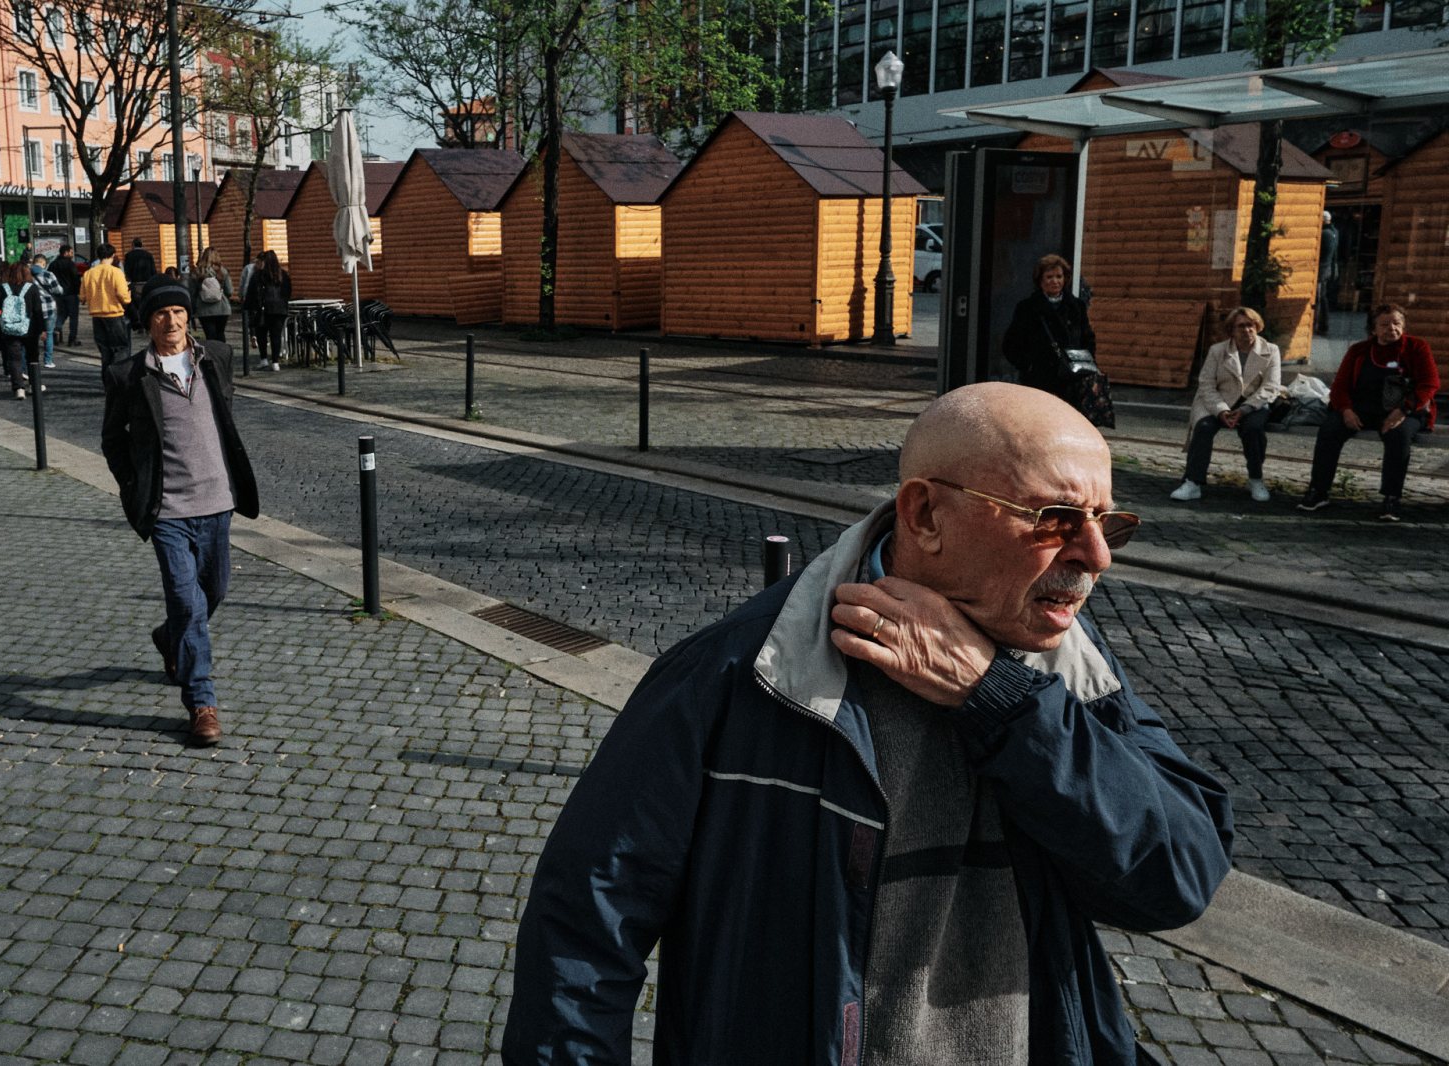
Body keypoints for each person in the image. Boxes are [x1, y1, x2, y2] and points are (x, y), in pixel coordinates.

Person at [505, 382, 1233, 1065]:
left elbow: (1177, 876)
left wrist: (999, 698)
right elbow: (585, 928)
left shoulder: (1073, 669)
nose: (1096, 556)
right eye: (1055, 519)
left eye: (1109, 523)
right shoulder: (739, 674)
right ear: (925, 515)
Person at [99, 283, 259, 747]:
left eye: (178, 311)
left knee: (215, 591)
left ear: (189, 316)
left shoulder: (216, 357)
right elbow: (112, 440)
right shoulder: (129, 374)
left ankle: (170, 637)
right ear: (147, 321)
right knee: (188, 603)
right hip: (168, 510)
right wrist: (134, 488)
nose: (171, 321)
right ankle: (202, 703)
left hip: (217, 502)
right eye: (161, 314)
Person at [1298, 304, 1439, 522]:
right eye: (1384, 324)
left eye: (1397, 323)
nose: (1391, 328)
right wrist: (1346, 410)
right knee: (1330, 429)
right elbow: (1340, 386)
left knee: (1398, 435)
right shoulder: (1359, 351)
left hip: (1407, 410)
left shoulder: (1417, 347)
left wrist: (1402, 411)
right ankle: (1318, 491)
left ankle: (1391, 497)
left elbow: (1429, 384)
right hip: (1362, 409)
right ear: (1373, 329)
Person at [1170, 306, 1282, 503]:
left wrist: (1245, 409)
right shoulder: (1217, 351)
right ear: (1231, 330)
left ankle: (1256, 479)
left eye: (1250, 325)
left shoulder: (1271, 350)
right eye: (1241, 326)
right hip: (1218, 400)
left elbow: (1271, 386)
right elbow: (1206, 383)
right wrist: (1221, 411)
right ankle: (1193, 482)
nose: (1247, 330)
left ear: (1257, 326)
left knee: (1253, 429)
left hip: (1253, 403)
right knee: (1203, 427)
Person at [1002, 253, 1097, 404]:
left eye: (1059, 276)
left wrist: (1086, 365)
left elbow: (1088, 339)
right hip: (1039, 381)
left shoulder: (1076, 307)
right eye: (1049, 277)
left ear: (1065, 279)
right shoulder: (1027, 308)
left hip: (1071, 380)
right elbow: (1010, 344)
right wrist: (1028, 366)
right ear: (1040, 280)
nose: (1055, 281)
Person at [0, 261, 48, 400]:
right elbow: (37, 310)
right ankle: (34, 385)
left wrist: (1, 318)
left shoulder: (3, 288)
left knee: (14, 359)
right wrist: (42, 329)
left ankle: (19, 388)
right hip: (30, 329)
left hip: (10, 329)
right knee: (32, 357)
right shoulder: (32, 288)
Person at [83, 242, 133, 376]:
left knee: (105, 351)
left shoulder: (88, 274)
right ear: (113, 255)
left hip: (96, 316)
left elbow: (82, 297)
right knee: (120, 349)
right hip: (114, 314)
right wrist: (128, 297)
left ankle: (107, 380)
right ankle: (118, 378)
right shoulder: (116, 272)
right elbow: (122, 295)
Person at [243, 250, 291, 372]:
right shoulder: (283, 275)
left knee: (262, 335)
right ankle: (275, 362)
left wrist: (247, 307)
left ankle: (264, 359)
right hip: (279, 309)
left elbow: (252, 292)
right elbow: (288, 291)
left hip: (263, 309)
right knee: (276, 335)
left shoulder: (259, 275)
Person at [188, 247, 234, 343]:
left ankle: (212, 352)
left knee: (210, 335)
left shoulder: (197, 272)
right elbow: (229, 291)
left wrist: (193, 308)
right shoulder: (222, 271)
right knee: (220, 333)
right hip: (222, 308)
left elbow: (192, 292)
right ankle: (222, 351)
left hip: (204, 309)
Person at [30, 254, 63, 369]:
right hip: (49, 308)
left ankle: (33, 360)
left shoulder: (27, 275)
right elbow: (58, 290)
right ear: (43, 263)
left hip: (33, 309)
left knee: (33, 335)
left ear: (34, 262)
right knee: (49, 334)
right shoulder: (48, 274)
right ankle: (48, 361)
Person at [49, 244, 82, 347]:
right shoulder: (71, 264)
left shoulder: (53, 264)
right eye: (71, 252)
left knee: (61, 313)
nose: (72, 254)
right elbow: (76, 279)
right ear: (66, 253)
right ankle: (72, 339)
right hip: (71, 293)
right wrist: (78, 291)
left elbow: (49, 278)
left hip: (58, 294)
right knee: (73, 317)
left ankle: (57, 329)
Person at [1316, 211, 1339, 337]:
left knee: (1320, 298)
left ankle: (1321, 325)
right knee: (1323, 297)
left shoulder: (1324, 234)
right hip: (1328, 269)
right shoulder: (1335, 232)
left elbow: (1320, 255)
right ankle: (1322, 325)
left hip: (1321, 270)